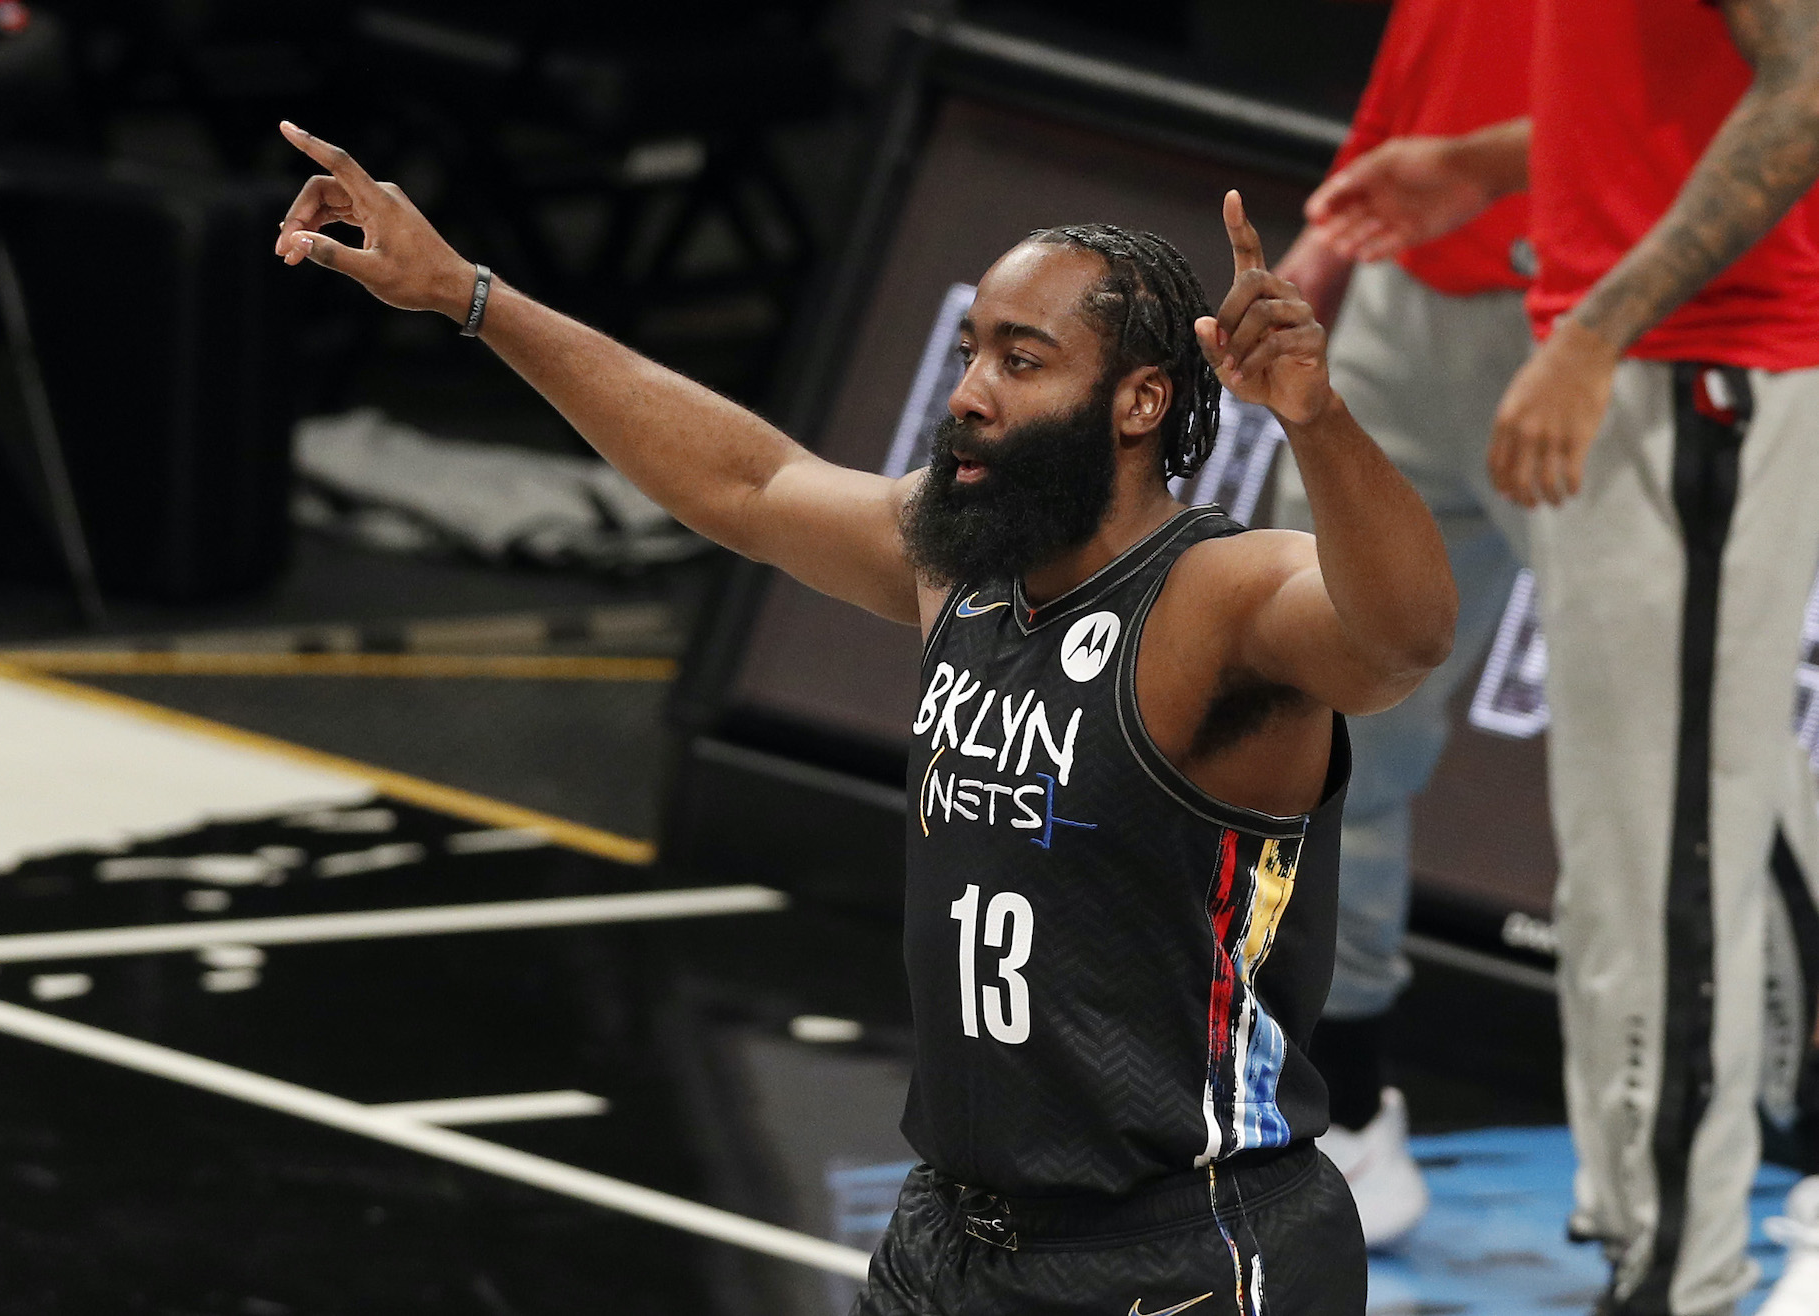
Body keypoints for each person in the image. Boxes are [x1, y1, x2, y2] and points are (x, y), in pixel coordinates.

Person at [272, 121, 1459, 1314]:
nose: (968, 395)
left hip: (1178, 1249)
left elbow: (1399, 635)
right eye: (968, 351)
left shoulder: (1220, 595)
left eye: (1020, 359)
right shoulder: (964, 564)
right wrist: (471, 297)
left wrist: (1315, 418)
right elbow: (744, 481)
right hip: (950, 1234)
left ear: (1138, 400)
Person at [1304, 0, 1819, 1310]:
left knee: (1666, 870)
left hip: (1691, 366)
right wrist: (1479, 164)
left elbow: (1807, 84)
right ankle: (1660, 1257)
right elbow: (1655, 96)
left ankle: (1675, 1280)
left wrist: (1594, 329)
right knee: (1646, 854)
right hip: (1624, 341)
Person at [1266, 0, 1536, 1248]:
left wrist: (1483, 166)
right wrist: (1340, 216)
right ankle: (1342, 1104)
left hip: (1616, 314)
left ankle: (1773, 1150)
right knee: (1305, 706)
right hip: (1401, 297)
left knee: (1676, 783)